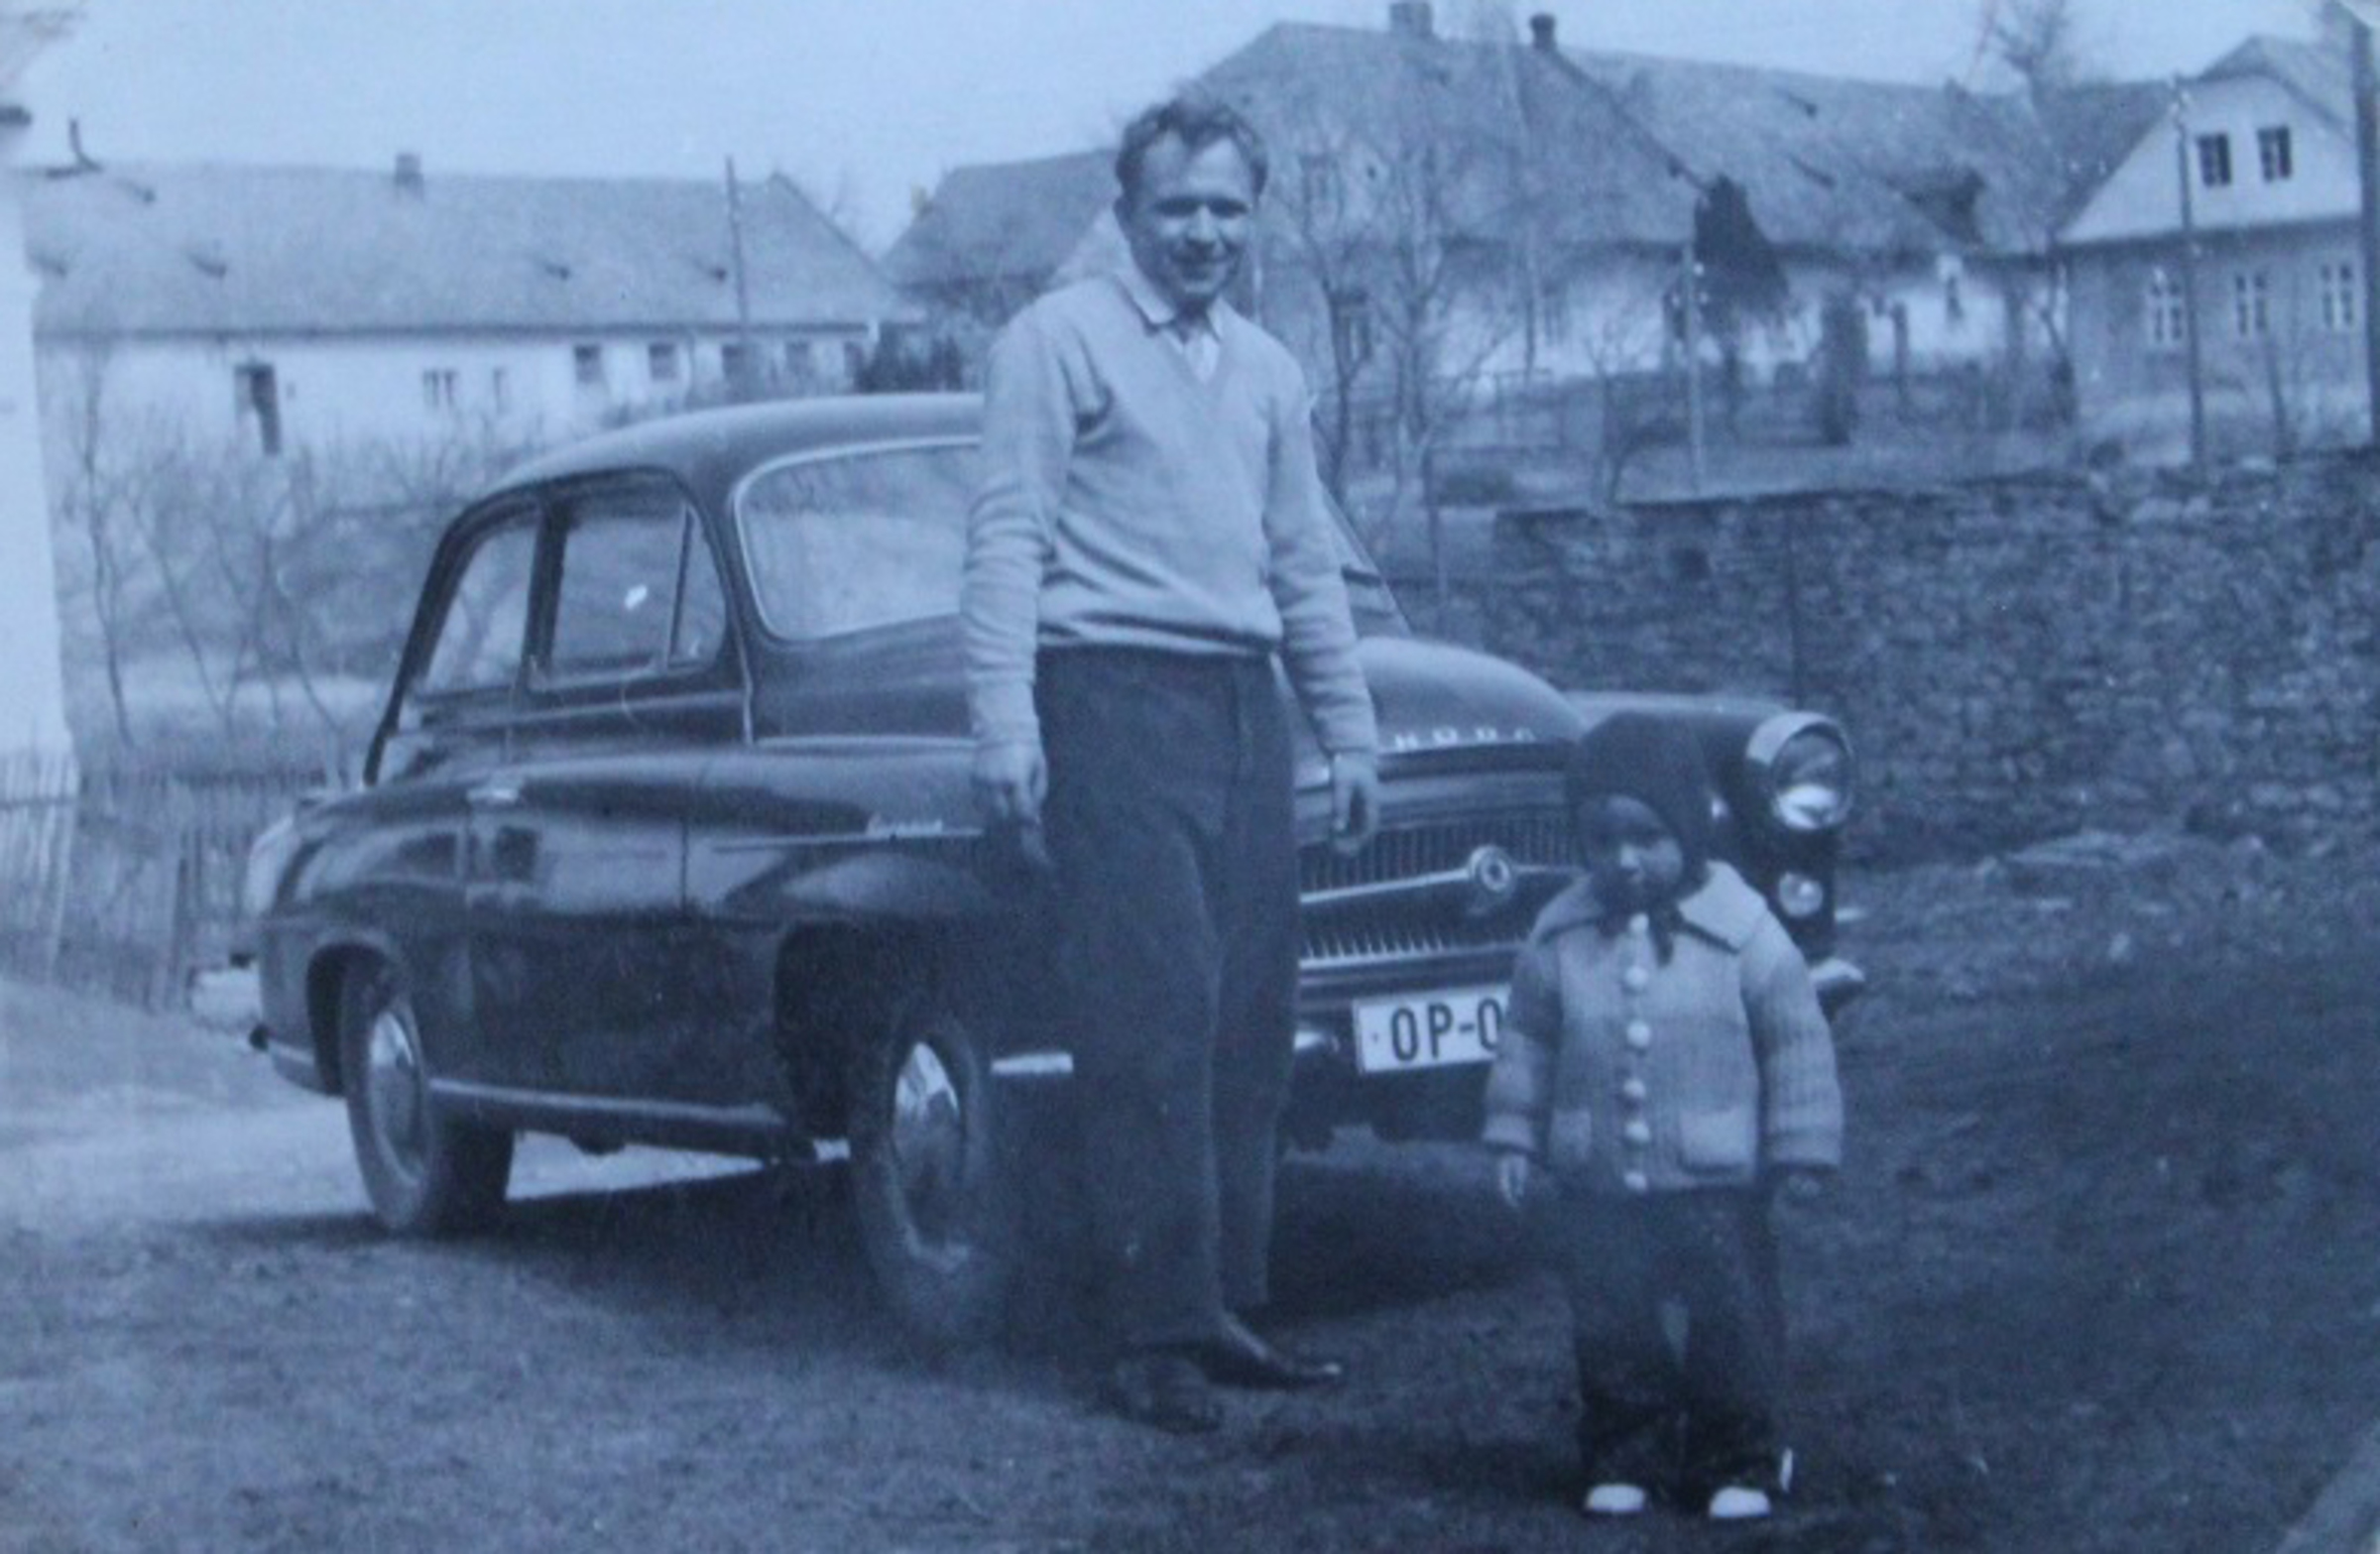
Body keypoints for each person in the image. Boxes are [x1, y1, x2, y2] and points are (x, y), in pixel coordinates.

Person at [962, 93, 1381, 1435]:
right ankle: (1148, 1334)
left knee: (1249, 1017)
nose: (1204, 233)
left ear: (1254, 218)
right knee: (1150, 1022)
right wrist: (1005, 727)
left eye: (1227, 209)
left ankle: (1221, 1306)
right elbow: (1008, 539)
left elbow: (1303, 562)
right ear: (1128, 211)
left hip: (1246, 706)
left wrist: (1348, 728)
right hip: (1112, 700)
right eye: (1177, 207)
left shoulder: (1265, 368)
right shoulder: (1055, 341)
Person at [1483, 712, 1843, 1520]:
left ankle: (1740, 1455)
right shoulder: (1559, 933)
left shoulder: (1744, 929)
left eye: (1647, 837)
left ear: (1689, 828)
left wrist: (1802, 1146)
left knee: (1733, 1320)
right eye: (1602, 839)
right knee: (1614, 1328)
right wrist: (1514, 1136)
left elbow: (1794, 1037)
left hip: (1717, 1176)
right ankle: (1627, 1451)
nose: (1624, 859)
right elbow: (1528, 1041)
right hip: (1598, 1180)